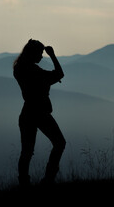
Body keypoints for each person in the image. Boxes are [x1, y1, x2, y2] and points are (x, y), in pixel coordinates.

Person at [13, 39, 66, 186]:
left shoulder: (20, 68)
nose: (42, 57)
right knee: (59, 143)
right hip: (40, 113)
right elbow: (59, 74)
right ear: (33, 53)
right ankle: (48, 179)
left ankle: (24, 183)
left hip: (27, 113)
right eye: (41, 53)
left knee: (27, 152)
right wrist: (53, 56)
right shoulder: (34, 71)